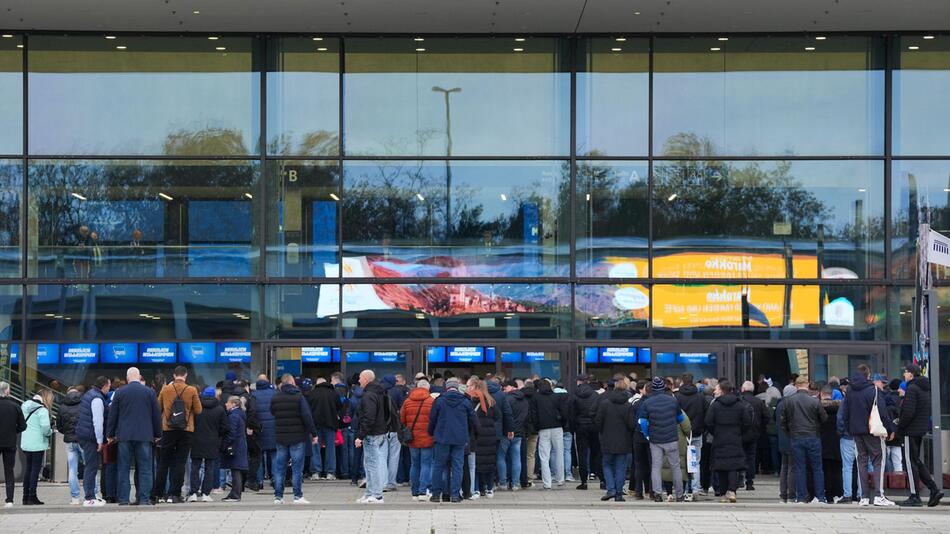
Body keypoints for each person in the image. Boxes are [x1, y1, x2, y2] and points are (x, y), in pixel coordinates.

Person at [107, 367, 163, 506]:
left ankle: (124, 499)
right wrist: (157, 434)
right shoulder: (149, 392)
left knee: (123, 469)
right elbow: (156, 415)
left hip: (124, 436)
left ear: (127, 378)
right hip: (144, 436)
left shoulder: (120, 392)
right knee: (145, 469)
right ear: (139, 377)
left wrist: (110, 434)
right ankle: (144, 499)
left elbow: (113, 415)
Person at [841, 364, 894, 506]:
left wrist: (849, 428)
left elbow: (845, 412)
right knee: (878, 461)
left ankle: (864, 496)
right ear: (868, 375)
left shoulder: (850, 390)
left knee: (861, 462)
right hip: (873, 430)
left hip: (856, 432)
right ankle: (878, 494)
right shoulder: (873, 390)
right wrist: (889, 429)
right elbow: (883, 412)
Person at [154, 365, 202, 503]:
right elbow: (198, 410)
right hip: (186, 430)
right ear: (185, 375)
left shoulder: (165, 389)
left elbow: (158, 407)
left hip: (168, 429)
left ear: (174, 376)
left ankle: (158, 493)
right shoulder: (191, 390)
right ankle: (175, 494)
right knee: (180, 462)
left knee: (164, 462)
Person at [897, 364, 944, 507]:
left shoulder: (911, 389)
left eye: (905, 372)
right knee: (916, 461)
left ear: (911, 374)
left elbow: (908, 413)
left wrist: (899, 427)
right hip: (919, 430)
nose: (904, 375)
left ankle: (914, 495)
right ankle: (933, 489)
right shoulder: (923, 389)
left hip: (909, 431)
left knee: (910, 464)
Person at [428, 378, 477, 503]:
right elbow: (473, 420)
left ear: (447, 387)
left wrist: (431, 432)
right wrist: (468, 432)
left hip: (441, 438)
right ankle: (455, 495)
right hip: (459, 439)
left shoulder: (439, 401)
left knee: (439, 466)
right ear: (456, 387)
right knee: (457, 467)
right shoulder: (465, 401)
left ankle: (435, 494)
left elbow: (432, 419)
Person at [270, 374, 317, 505]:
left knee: (280, 468)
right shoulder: (299, 397)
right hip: (297, 437)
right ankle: (297, 496)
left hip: (280, 437)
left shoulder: (275, 397)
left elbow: (272, 412)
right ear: (291, 382)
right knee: (297, 469)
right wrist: (313, 433)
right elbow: (307, 416)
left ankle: (278, 497)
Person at [780, 376, 828, 504]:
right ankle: (820, 497)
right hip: (813, 436)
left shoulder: (788, 401)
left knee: (799, 468)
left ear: (796, 386)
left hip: (796, 437)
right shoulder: (815, 402)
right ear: (807, 385)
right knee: (817, 467)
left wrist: (790, 433)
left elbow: (783, 422)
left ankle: (801, 497)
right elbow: (824, 418)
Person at [639, 376, 686, 502]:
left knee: (656, 467)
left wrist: (647, 434)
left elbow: (642, 421)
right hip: (671, 438)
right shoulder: (672, 400)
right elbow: (681, 419)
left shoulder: (647, 402)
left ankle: (658, 494)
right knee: (675, 466)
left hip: (655, 439)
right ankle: (680, 495)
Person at [706, 380, 751, 503]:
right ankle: (732, 491)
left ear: (722, 390)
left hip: (720, 437)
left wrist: (716, 432)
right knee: (733, 465)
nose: (715, 391)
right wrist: (739, 431)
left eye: (717, 388)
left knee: (721, 465)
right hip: (734, 437)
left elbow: (708, 422)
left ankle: (723, 492)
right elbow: (747, 421)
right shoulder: (740, 404)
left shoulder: (715, 405)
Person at [595, 377, 635, 502]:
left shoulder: (605, 403)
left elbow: (598, 421)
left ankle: (611, 489)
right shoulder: (628, 405)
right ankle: (618, 493)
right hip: (623, 440)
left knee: (606, 464)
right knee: (620, 467)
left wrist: (602, 432)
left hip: (607, 439)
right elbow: (632, 424)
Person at [356, 370, 392, 504]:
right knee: (370, 464)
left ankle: (376, 495)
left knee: (372, 465)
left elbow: (369, 417)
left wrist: (360, 435)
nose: (358, 381)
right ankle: (370, 493)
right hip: (380, 432)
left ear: (366, 379)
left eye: (360, 378)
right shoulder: (380, 393)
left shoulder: (369, 395)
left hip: (372, 434)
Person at [188, 386, 228, 502]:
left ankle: (193, 493)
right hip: (212, 441)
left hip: (196, 440)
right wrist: (216, 434)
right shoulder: (219, 409)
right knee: (209, 468)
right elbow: (225, 427)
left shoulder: (196, 407)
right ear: (214, 395)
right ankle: (206, 493)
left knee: (195, 467)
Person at [75, 376, 111, 507]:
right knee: (91, 466)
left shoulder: (90, 394)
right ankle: (89, 497)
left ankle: (93, 495)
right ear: (104, 386)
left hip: (85, 435)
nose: (109, 389)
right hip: (90, 437)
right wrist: (100, 440)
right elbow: (98, 421)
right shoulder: (97, 399)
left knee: (92, 466)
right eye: (108, 386)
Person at [401, 378, 434, 501]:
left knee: (414, 464)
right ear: (428, 388)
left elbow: (402, 420)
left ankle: (414, 492)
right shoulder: (431, 401)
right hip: (428, 438)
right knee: (426, 464)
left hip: (412, 438)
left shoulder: (407, 401)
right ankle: (423, 491)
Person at [531, 378, 567, 489]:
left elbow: (534, 415)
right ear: (550, 386)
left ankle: (547, 483)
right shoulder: (557, 397)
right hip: (557, 427)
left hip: (543, 429)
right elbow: (564, 412)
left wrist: (537, 427)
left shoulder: (536, 398)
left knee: (544, 456)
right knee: (559, 453)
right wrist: (563, 424)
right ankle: (560, 479)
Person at [20, 389, 54, 506]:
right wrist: (51, 431)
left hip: (26, 442)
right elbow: (45, 429)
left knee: (28, 469)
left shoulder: (25, 405)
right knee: (35, 470)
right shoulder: (42, 410)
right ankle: (32, 496)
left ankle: (25, 496)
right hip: (38, 444)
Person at [306, 377, 342, 480]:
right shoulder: (333, 393)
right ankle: (330, 472)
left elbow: (308, 409)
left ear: (317, 384)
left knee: (315, 448)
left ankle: (316, 472)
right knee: (330, 448)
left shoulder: (312, 393)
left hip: (315, 425)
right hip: (330, 424)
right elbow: (339, 406)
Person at [675, 373, 706, 494]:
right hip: (696, 433)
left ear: (682, 382)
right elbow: (706, 414)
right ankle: (695, 487)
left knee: (681, 461)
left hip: (681, 434)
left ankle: (683, 487)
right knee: (695, 461)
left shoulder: (677, 397)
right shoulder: (700, 397)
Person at [571, 373, 601, 491]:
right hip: (593, 426)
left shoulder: (575, 395)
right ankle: (602, 479)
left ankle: (583, 481)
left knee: (582, 454)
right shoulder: (595, 395)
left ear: (579, 381)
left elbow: (571, 413)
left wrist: (574, 427)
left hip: (580, 426)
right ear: (587, 381)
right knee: (597, 453)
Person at [470, 379, 500, 497]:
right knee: (489, 463)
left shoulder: (471, 400)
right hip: (490, 436)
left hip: (476, 435)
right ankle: (489, 488)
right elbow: (498, 416)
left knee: (476, 464)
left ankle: (477, 489)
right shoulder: (491, 401)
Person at [0, 382, 26, 507]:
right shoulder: (15, 406)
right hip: (10, 442)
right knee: (9, 471)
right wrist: (12, 431)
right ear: (8, 392)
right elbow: (23, 426)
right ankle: (9, 500)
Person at [739, 380, 768, 491]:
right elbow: (766, 417)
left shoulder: (739, 401)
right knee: (751, 457)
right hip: (754, 434)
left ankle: (739, 478)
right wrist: (759, 427)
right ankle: (749, 481)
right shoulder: (759, 401)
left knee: (740, 456)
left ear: (743, 389)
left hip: (740, 433)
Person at [57, 386, 83, 505]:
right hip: (83, 440)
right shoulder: (84, 404)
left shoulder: (62, 407)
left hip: (69, 441)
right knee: (90, 467)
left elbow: (59, 426)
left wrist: (67, 433)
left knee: (73, 470)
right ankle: (92, 494)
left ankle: (75, 498)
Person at [250, 375, 276, 490]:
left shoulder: (253, 395)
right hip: (273, 430)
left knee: (259, 456)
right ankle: (276, 479)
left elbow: (252, 412)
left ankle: (260, 481)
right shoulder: (274, 393)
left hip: (259, 430)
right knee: (274, 455)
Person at [501, 380, 527, 491]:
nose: (504, 389)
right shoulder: (524, 400)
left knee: (502, 457)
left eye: (505, 387)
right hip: (519, 432)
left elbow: (505, 415)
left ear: (511, 387)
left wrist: (507, 429)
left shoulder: (507, 399)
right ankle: (516, 483)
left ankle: (503, 482)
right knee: (517, 458)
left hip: (507, 432)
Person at [819, 386, 844, 503]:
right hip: (837, 442)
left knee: (825, 469)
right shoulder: (840, 408)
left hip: (823, 442)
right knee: (837, 470)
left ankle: (827, 494)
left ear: (821, 394)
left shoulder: (819, 409)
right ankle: (838, 493)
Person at [221, 396, 248, 502]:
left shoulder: (233, 416)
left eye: (228, 402)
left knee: (235, 469)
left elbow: (231, 433)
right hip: (239, 444)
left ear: (234, 404)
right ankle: (233, 493)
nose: (226, 404)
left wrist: (224, 444)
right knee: (235, 469)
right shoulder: (238, 414)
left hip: (235, 445)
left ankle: (236, 494)